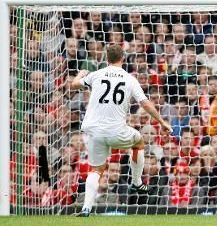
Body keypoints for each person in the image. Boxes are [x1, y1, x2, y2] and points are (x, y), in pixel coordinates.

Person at [70, 44, 172, 217]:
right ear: (123, 59)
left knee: (95, 169)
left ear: (106, 59)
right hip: (116, 131)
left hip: (95, 132)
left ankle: (86, 207)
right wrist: (161, 121)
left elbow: (73, 85)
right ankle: (137, 181)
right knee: (139, 141)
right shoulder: (129, 78)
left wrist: (81, 73)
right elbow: (145, 103)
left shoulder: (96, 74)